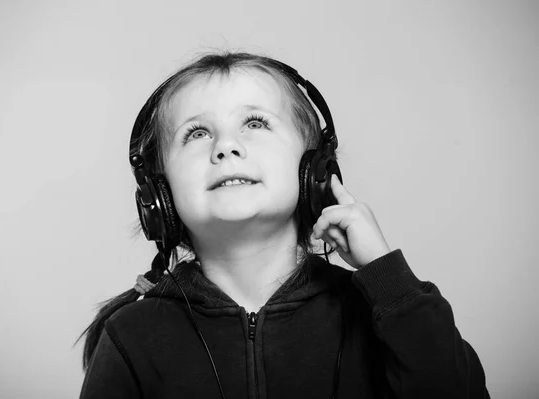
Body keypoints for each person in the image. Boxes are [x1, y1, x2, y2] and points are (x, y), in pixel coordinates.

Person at [76, 51, 490, 398]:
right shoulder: (131, 335)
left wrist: (387, 277)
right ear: (159, 197)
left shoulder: (378, 314)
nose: (226, 147)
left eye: (255, 124)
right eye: (197, 133)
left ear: (314, 170)